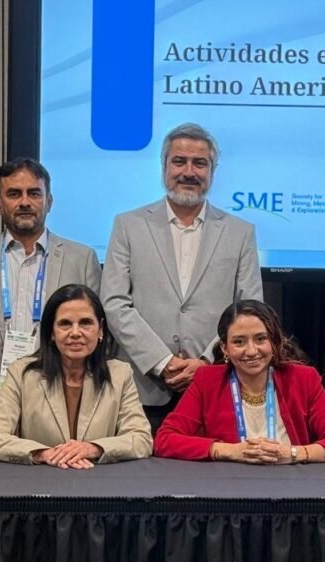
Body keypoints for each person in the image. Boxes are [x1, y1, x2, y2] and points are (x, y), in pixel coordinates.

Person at [101, 122, 262, 432]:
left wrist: (207, 362)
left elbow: (250, 310)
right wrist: (162, 361)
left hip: (214, 386)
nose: (189, 172)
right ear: (164, 166)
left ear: (213, 171)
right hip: (142, 390)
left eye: (200, 163)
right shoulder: (128, 226)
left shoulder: (240, 232)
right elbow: (114, 303)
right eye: (179, 161)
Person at [0, 158, 101, 432]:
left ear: (49, 201)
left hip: (63, 399)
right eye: (14, 194)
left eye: (34, 193)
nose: (25, 202)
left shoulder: (82, 259)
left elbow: (96, 331)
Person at [154, 299, 325, 463]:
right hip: (228, 484)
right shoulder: (207, 381)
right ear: (225, 348)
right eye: (239, 342)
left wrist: (293, 454)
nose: (251, 351)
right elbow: (164, 440)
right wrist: (229, 451)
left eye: (260, 339)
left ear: (274, 341)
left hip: (292, 483)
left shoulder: (303, 379)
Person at [0, 283, 152, 466]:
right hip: (41, 479)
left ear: (100, 329)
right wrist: (43, 454)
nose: (75, 333)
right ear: (51, 332)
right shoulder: (21, 374)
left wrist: (93, 448)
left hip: (98, 479)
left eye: (85, 323)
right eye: (65, 324)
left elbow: (141, 439)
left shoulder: (120, 374)